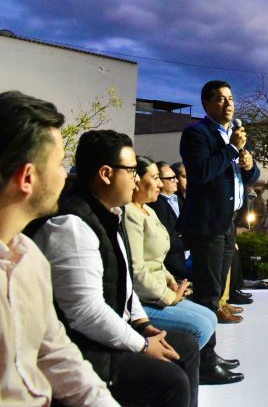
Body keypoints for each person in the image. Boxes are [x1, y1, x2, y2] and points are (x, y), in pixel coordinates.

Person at [33, 130, 200, 407]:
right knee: (171, 380)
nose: (136, 179)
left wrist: (144, 325)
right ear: (106, 174)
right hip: (87, 347)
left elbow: (125, 284)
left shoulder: (111, 213)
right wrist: (142, 345)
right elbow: (85, 313)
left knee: (187, 347)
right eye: (132, 171)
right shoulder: (72, 225)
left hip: (115, 332)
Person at [0, 92, 119, 406]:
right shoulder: (67, 228)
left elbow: (55, 352)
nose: (66, 174)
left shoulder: (30, 258)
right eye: (59, 163)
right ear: (27, 178)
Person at [126, 156, 243, 384]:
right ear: (137, 181)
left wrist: (171, 282)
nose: (160, 184)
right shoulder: (130, 215)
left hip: (161, 288)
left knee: (210, 316)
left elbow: (157, 260)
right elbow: (136, 270)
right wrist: (169, 295)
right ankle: (181, 370)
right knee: (201, 326)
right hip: (145, 299)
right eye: (156, 178)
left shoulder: (148, 210)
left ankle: (200, 363)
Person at [178, 80, 260, 320]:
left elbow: (250, 177)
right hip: (208, 218)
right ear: (206, 103)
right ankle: (207, 319)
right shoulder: (196, 133)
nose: (228, 104)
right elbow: (202, 172)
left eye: (231, 99)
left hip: (228, 218)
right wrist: (232, 148)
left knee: (222, 271)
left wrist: (249, 166)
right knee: (209, 277)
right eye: (221, 99)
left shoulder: (235, 135)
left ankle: (219, 305)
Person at [148, 161, 189, 280]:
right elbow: (167, 241)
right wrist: (193, 242)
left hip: (188, 257)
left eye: (175, 177)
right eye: (171, 178)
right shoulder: (157, 205)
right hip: (176, 266)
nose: (176, 181)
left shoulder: (178, 199)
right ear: (160, 181)